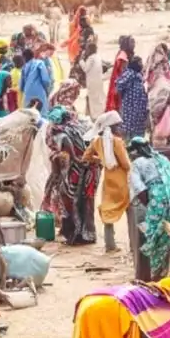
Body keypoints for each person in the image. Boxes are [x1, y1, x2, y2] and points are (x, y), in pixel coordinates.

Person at [127, 138, 170, 280]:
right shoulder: (162, 158)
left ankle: (157, 276)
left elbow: (140, 191)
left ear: (134, 152)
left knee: (156, 236)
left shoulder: (136, 164)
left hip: (160, 199)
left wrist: (152, 209)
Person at [42, 108, 99, 245]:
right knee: (86, 202)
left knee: (71, 200)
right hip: (91, 167)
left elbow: (66, 144)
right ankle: (86, 234)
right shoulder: (79, 125)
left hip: (79, 168)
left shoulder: (60, 132)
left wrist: (74, 158)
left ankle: (76, 234)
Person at [82, 111, 131, 253]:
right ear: (112, 127)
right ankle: (134, 244)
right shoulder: (117, 142)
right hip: (121, 179)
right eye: (118, 126)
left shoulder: (97, 141)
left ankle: (110, 245)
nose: (120, 128)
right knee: (129, 209)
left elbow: (86, 157)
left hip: (108, 179)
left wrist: (102, 161)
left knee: (108, 210)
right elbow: (126, 164)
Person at [144, 44, 170, 140]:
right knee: (162, 124)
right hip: (161, 99)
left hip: (157, 99)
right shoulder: (163, 67)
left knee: (158, 124)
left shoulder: (152, 67)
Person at [116, 56, 149, 140]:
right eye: (140, 63)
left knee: (138, 134)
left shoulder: (139, 76)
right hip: (130, 109)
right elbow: (119, 85)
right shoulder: (130, 74)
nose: (142, 65)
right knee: (128, 133)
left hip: (139, 110)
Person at [21, 48, 51, 116]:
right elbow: (45, 79)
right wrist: (46, 90)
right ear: (33, 55)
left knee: (27, 113)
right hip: (39, 91)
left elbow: (22, 84)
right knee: (42, 112)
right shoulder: (40, 63)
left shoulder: (24, 66)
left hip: (27, 92)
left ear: (24, 57)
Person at [107, 36, 134, 112]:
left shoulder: (125, 53)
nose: (134, 44)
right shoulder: (122, 56)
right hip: (120, 84)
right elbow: (123, 72)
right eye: (132, 42)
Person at [81, 42, 105, 120]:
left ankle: (95, 116)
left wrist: (81, 61)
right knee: (97, 98)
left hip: (92, 83)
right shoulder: (97, 57)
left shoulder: (91, 58)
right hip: (98, 81)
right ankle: (93, 114)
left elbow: (85, 69)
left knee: (93, 100)